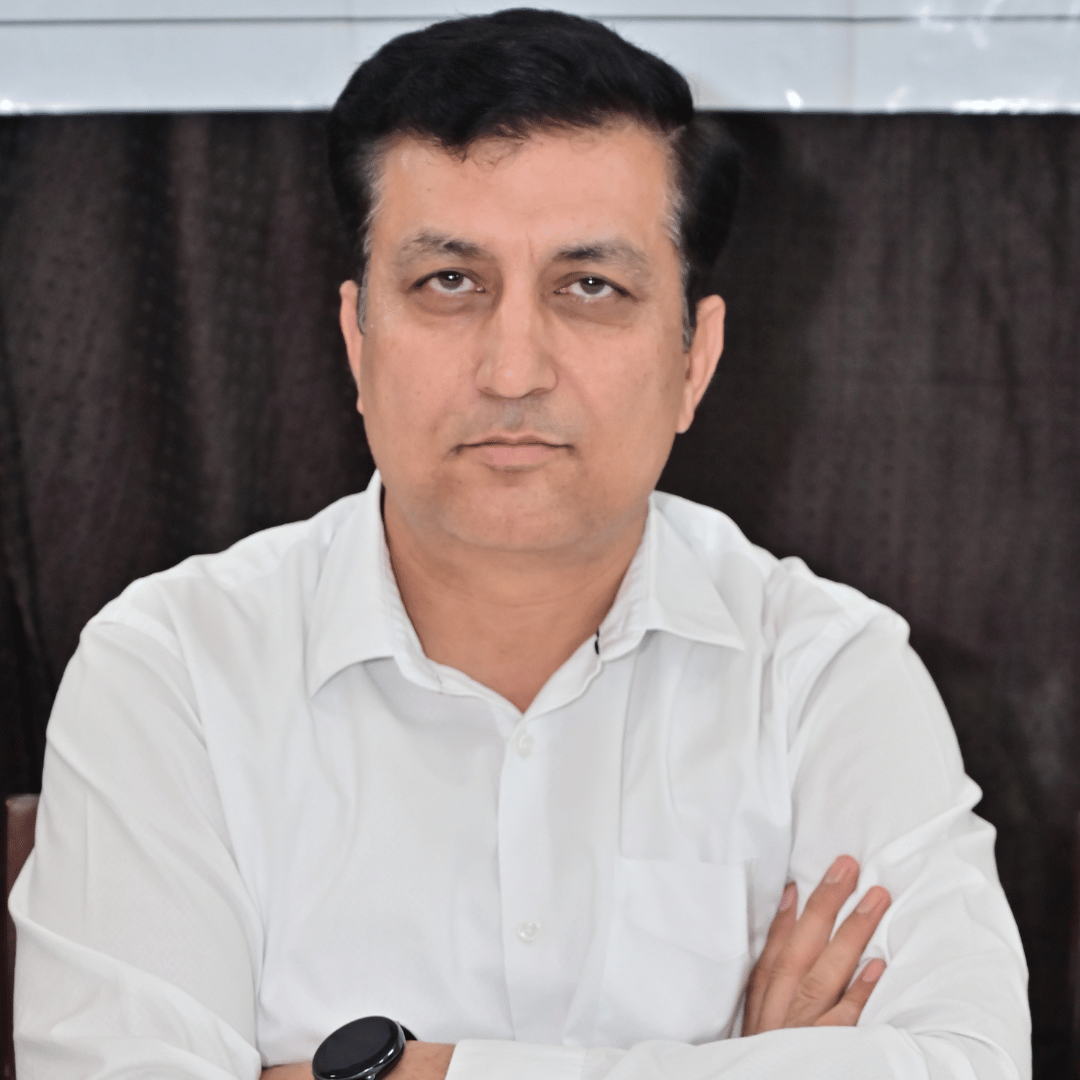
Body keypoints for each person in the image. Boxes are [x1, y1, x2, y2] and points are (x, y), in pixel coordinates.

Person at [10, 9, 1029, 1080]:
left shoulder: (823, 673)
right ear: (358, 340)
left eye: (591, 287)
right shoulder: (172, 669)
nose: (512, 371)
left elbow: (966, 1066)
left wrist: (417, 1072)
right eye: (449, 282)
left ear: (695, 360)